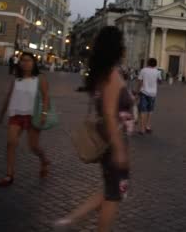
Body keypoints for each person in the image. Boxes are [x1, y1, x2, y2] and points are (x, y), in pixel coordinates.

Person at [54, 26, 132, 231]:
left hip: (107, 137)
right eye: (122, 43)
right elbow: (108, 112)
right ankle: (72, 220)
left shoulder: (101, 73)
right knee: (114, 194)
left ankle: (70, 219)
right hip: (112, 140)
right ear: (117, 48)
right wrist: (118, 149)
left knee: (111, 190)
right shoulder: (113, 75)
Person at [0, 52, 51, 187]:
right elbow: (9, 96)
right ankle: (9, 175)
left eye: (29, 60)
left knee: (33, 147)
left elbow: (45, 97)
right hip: (16, 115)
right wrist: (1, 114)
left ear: (34, 63)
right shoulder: (17, 79)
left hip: (33, 116)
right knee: (11, 143)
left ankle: (44, 160)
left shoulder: (40, 78)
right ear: (19, 63)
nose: (25, 63)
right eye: (23, 60)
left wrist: (44, 113)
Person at [136, 58, 161, 135]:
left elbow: (140, 82)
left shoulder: (143, 70)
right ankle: (148, 126)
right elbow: (160, 81)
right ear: (155, 64)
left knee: (143, 111)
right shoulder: (158, 72)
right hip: (153, 93)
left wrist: (137, 92)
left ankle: (142, 129)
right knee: (150, 110)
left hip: (144, 92)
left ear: (148, 63)